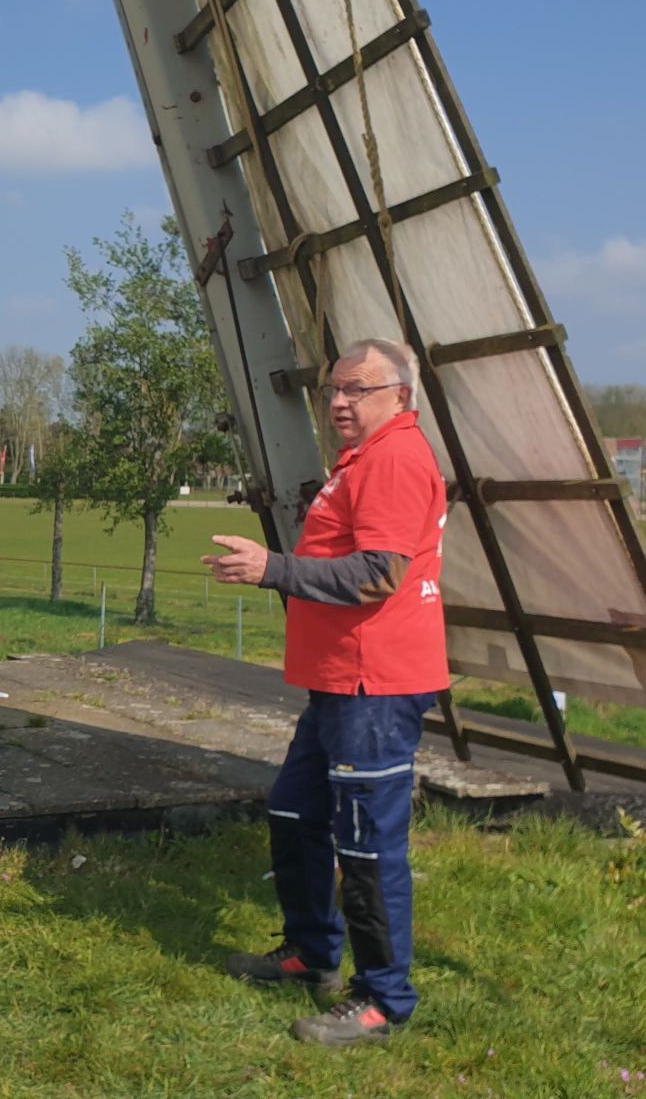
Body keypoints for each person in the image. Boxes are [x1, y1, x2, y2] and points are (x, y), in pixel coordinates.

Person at [206, 338, 448, 1047]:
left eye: (357, 390)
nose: (339, 402)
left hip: (376, 683)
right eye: (334, 390)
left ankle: (383, 1001)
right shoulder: (365, 459)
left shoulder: (398, 458)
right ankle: (313, 954)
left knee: (368, 845)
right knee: (293, 809)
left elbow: (377, 574)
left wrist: (274, 569)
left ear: (400, 396)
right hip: (341, 680)